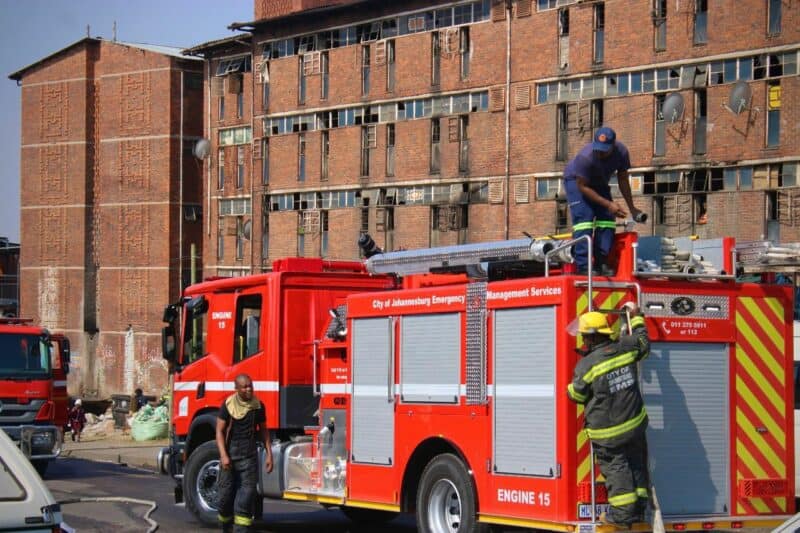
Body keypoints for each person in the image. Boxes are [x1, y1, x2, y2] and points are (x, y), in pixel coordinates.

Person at [566, 304, 651, 530]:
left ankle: (622, 517)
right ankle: (640, 510)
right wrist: (636, 317)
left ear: (591, 338)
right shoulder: (626, 347)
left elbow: (576, 394)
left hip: (608, 433)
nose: (582, 338)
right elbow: (643, 341)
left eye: (584, 335)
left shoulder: (586, 364)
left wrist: (570, 387)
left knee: (617, 469)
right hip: (635, 425)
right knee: (636, 466)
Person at [563, 126, 642, 275]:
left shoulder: (622, 152)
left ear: (613, 146)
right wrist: (608, 204)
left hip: (599, 182)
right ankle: (584, 266)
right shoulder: (585, 157)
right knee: (584, 220)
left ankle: (601, 262)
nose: (600, 152)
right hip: (577, 182)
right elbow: (582, 187)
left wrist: (632, 208)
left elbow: (623, 179)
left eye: (605, 149)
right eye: (598, 148)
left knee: (607, 219)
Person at [216, 374, 273, 532]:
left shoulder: (258, 406)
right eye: (245, 387)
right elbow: (219, 431)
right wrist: (223, 455)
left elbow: (263, 431)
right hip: (230, 458)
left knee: (246, 498)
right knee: (225, 498)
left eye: (250, 385)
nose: (249, 389)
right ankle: (226, 527)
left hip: (249, 458)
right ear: (237, 389)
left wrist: (269, 454)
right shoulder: (228, 405)